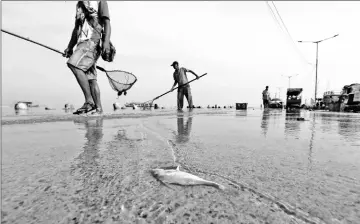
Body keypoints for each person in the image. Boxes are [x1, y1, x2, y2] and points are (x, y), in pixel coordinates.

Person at [63, 1, 112, 115]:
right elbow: (77, 28)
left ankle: (89, 102)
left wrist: (105, 42)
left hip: (92, 42)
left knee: (74, 64)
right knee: (90, 78)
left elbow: (107, 23)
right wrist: (70, 47)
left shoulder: (100, 2)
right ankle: (99, 109)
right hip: (81, 43)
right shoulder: (79, 5)